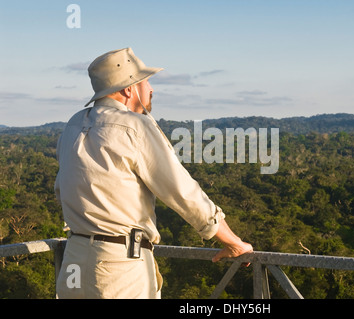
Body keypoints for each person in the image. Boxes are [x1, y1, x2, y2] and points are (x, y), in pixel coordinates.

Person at [54, 47, 253, 299]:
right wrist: (233, 241)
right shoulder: (135, 126)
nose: (150, 88)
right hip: (118, 269)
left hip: (73, 261)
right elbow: (182, 192)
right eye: (145, 81)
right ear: (129, 89)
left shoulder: (73, 124)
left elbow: (62, 189)